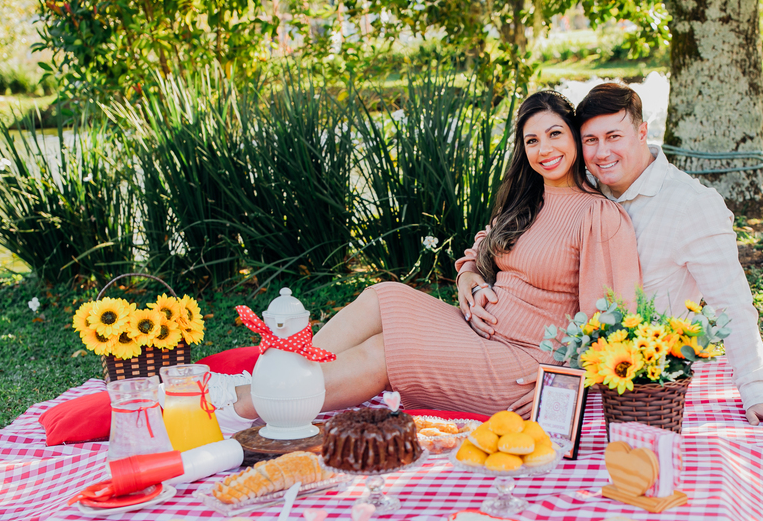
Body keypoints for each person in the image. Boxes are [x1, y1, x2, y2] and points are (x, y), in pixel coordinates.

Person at [229, 90, 641, 420]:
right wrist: (468, 276)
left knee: (386, 353)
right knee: (384, 295)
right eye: (532, 140)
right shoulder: (527, 199)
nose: (544, 149)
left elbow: (607, 320)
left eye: (555, 134)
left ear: (574, 138)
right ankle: (280, 374)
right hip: (477, 333)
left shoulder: (597, 215)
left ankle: (254, 403)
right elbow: (483, 247)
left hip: (520, 366)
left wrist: (561, 385)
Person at [572, 83, 763, 429]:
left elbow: (731, 303)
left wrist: (756, 391)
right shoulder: (581, 189)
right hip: (565, 368)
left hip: (641, 387)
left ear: (642, 132)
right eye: (590, 140)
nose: (602, 152)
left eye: (614, 136)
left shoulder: (692, 205)